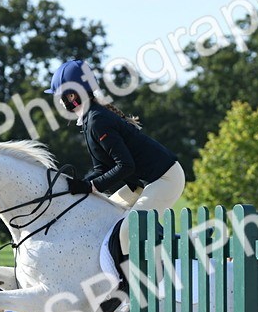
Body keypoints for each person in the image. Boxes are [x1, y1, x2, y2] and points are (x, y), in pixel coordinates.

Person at [47, 60, 184, 257]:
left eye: (60, 96)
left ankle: (131, 284)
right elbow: (102, 168)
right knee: (105, 217)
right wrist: (77, 185)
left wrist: (91, 187)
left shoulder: (97, 121)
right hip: (141, 184)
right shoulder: (89, 120)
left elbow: (126, 166)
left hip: (165, 179)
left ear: (72, 95)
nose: (60, 102)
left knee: (127, 232)